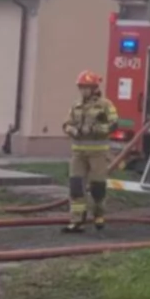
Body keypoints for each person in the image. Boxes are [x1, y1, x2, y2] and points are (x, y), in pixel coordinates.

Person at [61, 70, 119, 233]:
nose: (83, 91)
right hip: (78, 154)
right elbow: (66, 124)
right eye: (81, 87)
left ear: (94, 88)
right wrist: (72, 130)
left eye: (86, 87)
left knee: (97, 187)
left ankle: (99, 215)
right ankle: (76, 220)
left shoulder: (105, 105)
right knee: (76, 187)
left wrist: (95, 129)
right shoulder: (76, 105)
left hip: (98, 153)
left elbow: (114, 125)